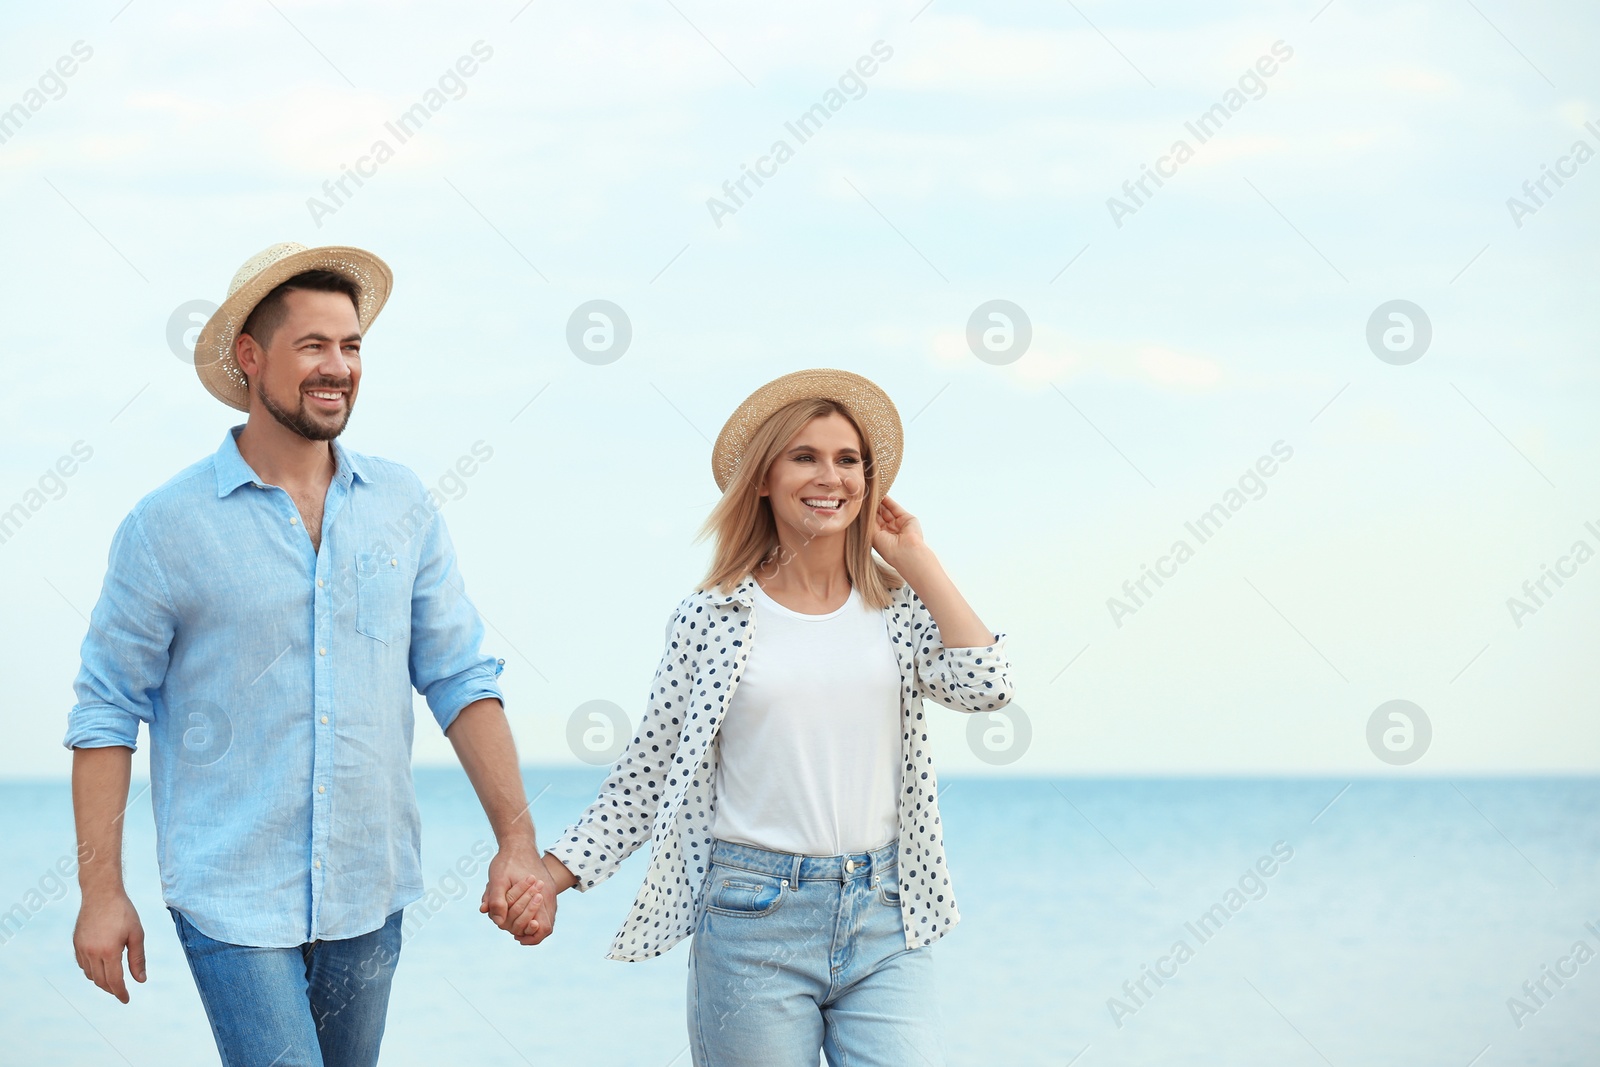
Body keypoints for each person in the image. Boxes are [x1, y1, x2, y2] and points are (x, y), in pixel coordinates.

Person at [65, 242, 555, 1067]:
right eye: (314, 346)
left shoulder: (402, 504)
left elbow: (461, 679)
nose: (339, 367)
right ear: (252, 360)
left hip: (370, 887)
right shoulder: (167, 525)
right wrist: (100, 890)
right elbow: (107, 709)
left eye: (352, 346)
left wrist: (516, 841)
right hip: (230, 896)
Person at [514, 368, 1015, 1066]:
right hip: (754, 919)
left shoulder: (897, 609)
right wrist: (551, 873)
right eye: (805, 456)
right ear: (763, 480)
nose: (830, 476)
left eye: (848, 460)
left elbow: (987, 686)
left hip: (888, 916)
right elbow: (646, 775)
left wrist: (916, 560)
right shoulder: (712, 618)